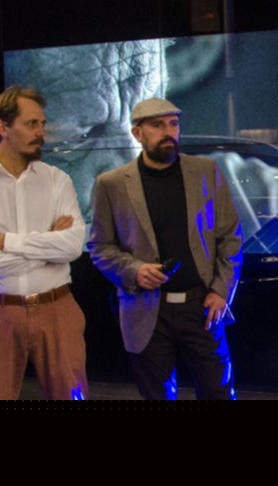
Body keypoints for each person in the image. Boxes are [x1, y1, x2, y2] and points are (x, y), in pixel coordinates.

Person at [88, 98, 242, 400]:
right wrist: (134, 270)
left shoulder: (206, 171)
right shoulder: (111, 184)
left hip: (201, 304)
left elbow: (230, 237)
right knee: (157, 394)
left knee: (218, 392)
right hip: (145, 308)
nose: (168, 132)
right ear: (137, 133)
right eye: (157, 125)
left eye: (173, 124)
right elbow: (99, 246)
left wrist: (221, 290)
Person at [0, 85, 88, 400]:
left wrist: (5, 241)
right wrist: (47, 249)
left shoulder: (57, 180)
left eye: (42, 123)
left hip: (58, 308)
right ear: (3, 127)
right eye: (31, 124)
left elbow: (72, 247)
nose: (41, 132)